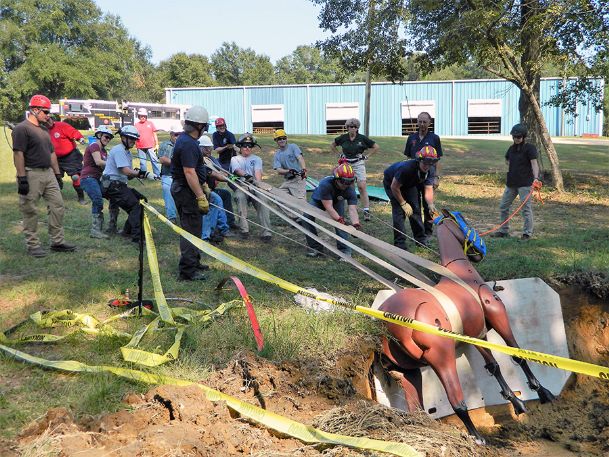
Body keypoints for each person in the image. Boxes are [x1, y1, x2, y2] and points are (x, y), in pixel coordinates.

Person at [12, 94, 76, 257]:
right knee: (30, 209)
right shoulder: (22, 129)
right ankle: (33, 245)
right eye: (46, 112)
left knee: (57, 206)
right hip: (31, 172)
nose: (48, 116)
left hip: (48, 173)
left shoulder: (44, 130)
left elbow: (52, 153)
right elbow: (18, 154)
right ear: (34, 110)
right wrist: (22, 177)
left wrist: (57, 174)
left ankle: (57, 242)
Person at [170, 105, 212, 281]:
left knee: (195, 227)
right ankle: (187, 271)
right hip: (186, 192)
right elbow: (189, 172)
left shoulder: (187, 141)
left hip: (187, 190)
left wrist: (203, 184)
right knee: (190, 229)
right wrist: (200, 195)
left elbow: (195, 169)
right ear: (200, 126)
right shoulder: (187, 143)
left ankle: (194, 262)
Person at [101, 125, 153, 244]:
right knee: (135, 206)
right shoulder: (119, 150)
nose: (133, 142)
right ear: (123, 138)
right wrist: (140, 173)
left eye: (134, 139)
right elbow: (125, 170)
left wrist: (136, 173)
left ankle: (127, 231)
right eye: (131, 139)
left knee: (141, 200)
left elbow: (127, 175)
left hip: (119, 185)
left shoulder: (126, 152)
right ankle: (137, 238)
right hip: (112, 186)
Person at [492, 123, 542, 241]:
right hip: (511, 183)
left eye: (519, 137)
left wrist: (536, 178)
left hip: (525, 184)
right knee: (503, 206)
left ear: (524, 137)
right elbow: (507, 160)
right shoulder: (511, 148)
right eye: (514, 137)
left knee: (526, 208)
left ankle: (527, 233)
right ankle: (503, 231)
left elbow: (534, 164)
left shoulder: (530, 148)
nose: (516, 139)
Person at [383, 146, 439, 250]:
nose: (427, 166)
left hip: (409, 184)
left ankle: (420, 239)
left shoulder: (430, 169)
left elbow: (428, 188)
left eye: (431, 163)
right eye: (425, 162)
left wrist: (430, 204)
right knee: (399, 212)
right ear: (420, 160)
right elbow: (394, 187)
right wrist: (403, 203)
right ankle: (400, 244)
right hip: (392, 183)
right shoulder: (406, 168)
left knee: (415, 210)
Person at [302, 163, 361, 258]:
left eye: (349, 182)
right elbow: (329, 207)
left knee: (340, 226)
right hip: (319, 200)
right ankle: (316, 248)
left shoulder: (350, 189)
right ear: (336, 178)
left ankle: (344, 251)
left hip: (337, 201)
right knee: (306, 217)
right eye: (344, 181)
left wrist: (355, 224)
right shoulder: (325, 184)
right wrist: (340, 220)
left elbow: (353, 209)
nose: (346, 185)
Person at [403, 111, 443, 237]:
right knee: (415, 205)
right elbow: (408, 158)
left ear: (429, 123)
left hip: (428, 175)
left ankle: (428, 232)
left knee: (428, 205)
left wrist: (436, 177)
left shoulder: (434, 138)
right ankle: (419, 233)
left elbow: (438, 160)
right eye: (419, 121)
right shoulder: (411, 138)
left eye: (424, 122)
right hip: (413, 176)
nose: (422, 124)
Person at [330, 118, 379, 222]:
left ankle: (366, 210)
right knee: (350, 188)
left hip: (358, 163)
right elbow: (332, 145)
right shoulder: (343, 138)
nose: (352, 128)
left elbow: (376, 147)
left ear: (357, 128)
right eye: (350, 127)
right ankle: (352, 210)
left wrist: (367, 156)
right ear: (347, 128)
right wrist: (339, 155)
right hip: (346, 163)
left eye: (354, 127)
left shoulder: (362, 138)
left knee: (362, 186)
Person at [229, 133, 272, 242]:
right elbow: (237, 170)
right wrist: (246, 176)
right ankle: (244, 230)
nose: (247, 148)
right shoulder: (235, 159)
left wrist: (257, 184)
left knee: (263, 200)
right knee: (240, 197)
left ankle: (266, 232)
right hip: (242, 185)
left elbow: (258, 173)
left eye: (250, 145)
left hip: (255, 185)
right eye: (244, 145)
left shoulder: (257, 159)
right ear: (240, 147)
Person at [198, 135, 236, 243]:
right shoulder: (200, 160)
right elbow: (215, 175)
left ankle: (229, 222)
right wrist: (228, 179)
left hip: (211, 189)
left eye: (210, 147)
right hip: (201, 191)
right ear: (200, 148)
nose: (209, 150)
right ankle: (216, 231)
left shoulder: (212, 159)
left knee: (226, 194)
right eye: (206, 148)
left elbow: (221, 171)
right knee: (217, 199)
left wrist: (232, 177)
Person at [81, 125, 114, 239]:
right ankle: (96, 230)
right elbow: (99, 162)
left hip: (97, 178)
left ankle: (112, 226)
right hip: (88, 178)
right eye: (106, 137)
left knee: (113, 196)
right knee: (98, 200)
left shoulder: (104, 150)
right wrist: (113, 163)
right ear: (99, 135)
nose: (108, 139)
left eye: (110, 138)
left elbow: (106, 167)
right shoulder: (94, 145)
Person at [45, 115, 87, 204]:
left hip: (71, 157)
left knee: (76, 177)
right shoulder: (43, 130)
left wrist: (80, 138)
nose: (48, 122)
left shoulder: (62, 125)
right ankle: (56, 195)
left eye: (49, 119)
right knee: (54, 177)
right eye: (46, 121)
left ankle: (81, 198)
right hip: (55, 158)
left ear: (52, 119)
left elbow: (73, 132)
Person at [272, 129, 307, 217]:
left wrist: (303, 169)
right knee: (277, 197)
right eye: (279, 139)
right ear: (276, 141)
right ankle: (296, 218)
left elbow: (300, 158)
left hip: (298, 179)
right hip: (288, 180)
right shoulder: (277, 154)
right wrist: (289, 170)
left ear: (286, 139)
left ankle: (306, 220)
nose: (282, 140)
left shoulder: (293, 147)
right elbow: (278, 170)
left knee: (301, 203)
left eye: (283, 138)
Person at [158, 124, 181, 223]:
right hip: (168, 175)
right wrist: (179, 164)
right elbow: (163, 159)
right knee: (168, 190)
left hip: (182, 176)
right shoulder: (165, 145)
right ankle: (171, 217)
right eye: (176, 134)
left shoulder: (184, 144)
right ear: (171, 134)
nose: (178, 136)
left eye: (181, 134)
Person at [134, 107, 160, 178]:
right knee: (143, 162)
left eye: (144, 116)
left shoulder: (150, 123)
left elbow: (154, 134)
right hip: (140, 146)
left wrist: (157, 144)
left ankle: (157, 175)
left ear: (146, 116)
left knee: (154, 160)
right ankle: (144, 175)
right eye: (141, 116)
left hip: (150, 146)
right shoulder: (136, 125)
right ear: (138, 116)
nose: (143, 117)